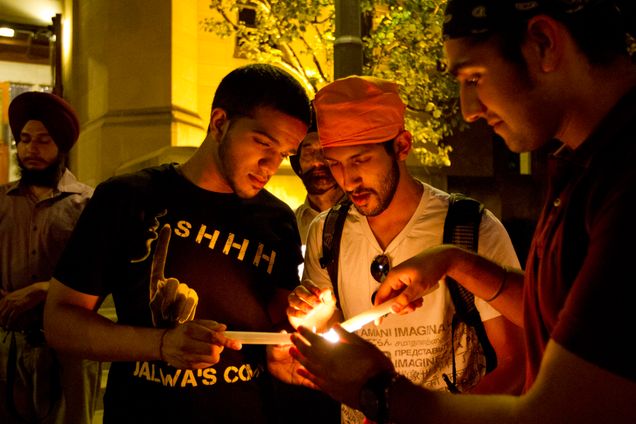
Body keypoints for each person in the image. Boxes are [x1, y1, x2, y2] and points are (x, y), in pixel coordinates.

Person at [288, 0, 636, 423]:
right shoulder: (579, 170)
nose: (469, 108)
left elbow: (559, 410)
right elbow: (557, 315)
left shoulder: (625, 181)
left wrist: (378, 392)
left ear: (544, 43)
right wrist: (450, 261)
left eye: (474, 77)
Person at [43, 63, 319, 424]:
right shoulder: (128, 198)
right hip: (145, 412)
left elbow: (279, 321)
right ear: (219, 123)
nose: (270, 165)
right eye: (263, 143)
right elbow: (60, 322)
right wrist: (161, 345)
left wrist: (304, 315)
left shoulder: (277, 218)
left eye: (283, 154)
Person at [287, 75, 525, 423]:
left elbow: (516, 362)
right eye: (336, 163)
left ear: (401, 146)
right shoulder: (326, 232)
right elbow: (333, 349)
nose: (347, 180)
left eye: (360, 160)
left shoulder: (469, 227)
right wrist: (317, 322)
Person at [0, 91, 101, 424]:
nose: (31, 149)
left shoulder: (88, 204)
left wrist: (43, 290)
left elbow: (102, 274)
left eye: (43, 140)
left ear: (61, 145)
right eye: (25, 140)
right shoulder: (2, 201)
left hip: (70, 348)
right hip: (8, 346)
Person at [290, 110, 345, 245]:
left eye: (325, 151)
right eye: (308, 152)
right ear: (298, 166)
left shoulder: (366, 216)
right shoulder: (288, 225)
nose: (317, 161)